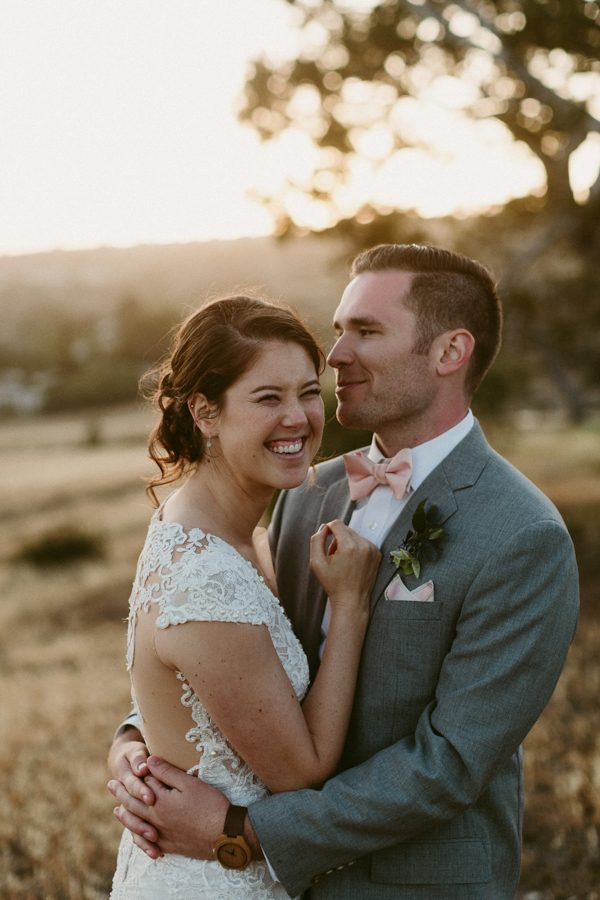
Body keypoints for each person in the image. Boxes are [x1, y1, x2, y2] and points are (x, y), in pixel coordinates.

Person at [108, 245, 579, 899]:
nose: (335, 357)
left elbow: (448, 765)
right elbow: (231, 652)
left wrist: (245, 831)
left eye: (366, 331)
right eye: (337, 331)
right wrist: (136, 743)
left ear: (449, 353)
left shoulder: (522, 536)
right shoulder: (306, 490)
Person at [108, 294, 381, 898]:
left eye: (309, 392)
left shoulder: (243, 534)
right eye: (267, 398)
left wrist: (129, 741)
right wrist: (352, 607)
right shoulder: (203, 574)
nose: (299, 417)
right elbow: (301, 772)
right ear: (205, 412)